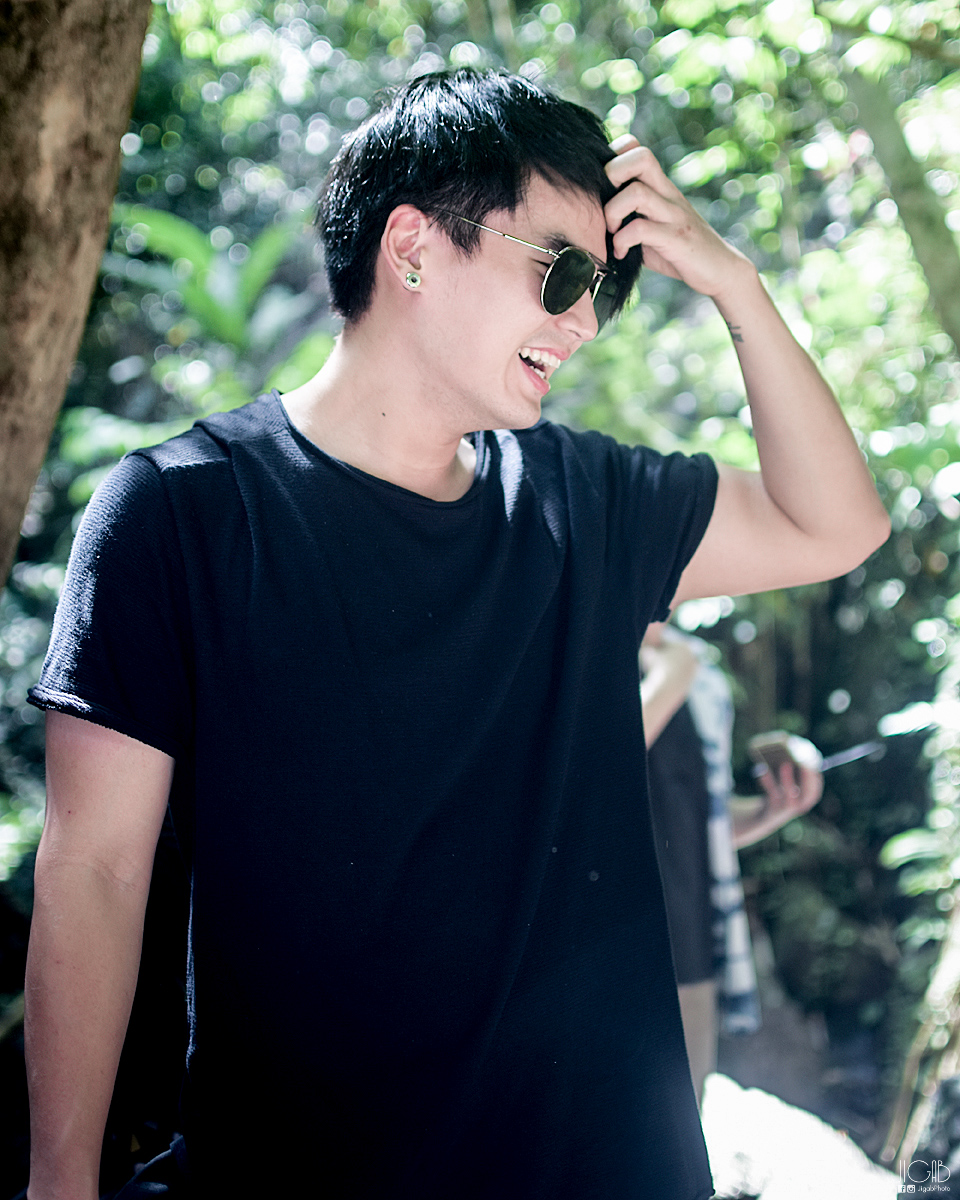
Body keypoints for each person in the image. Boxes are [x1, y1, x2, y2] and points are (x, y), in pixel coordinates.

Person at [23, 68, 890, 1200]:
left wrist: (736, 285)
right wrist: (59, 1181)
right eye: (563, 272)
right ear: (415, 247)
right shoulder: (182, 511)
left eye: (607, 289)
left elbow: (838, 525)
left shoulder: (588, 502)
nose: (584, 321)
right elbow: (93, 868)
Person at [640, 624, 824, 1105]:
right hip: (598, 948)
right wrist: (670, 678)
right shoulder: (580, 645)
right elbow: (583, 772)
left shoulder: (694, 667)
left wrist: (775, 808)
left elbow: (701, 823)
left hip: (690, 949)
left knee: (680, 1123)